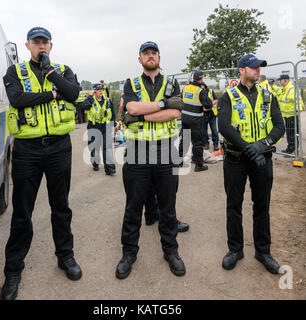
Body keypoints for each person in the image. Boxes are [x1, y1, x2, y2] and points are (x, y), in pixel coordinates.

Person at [0, 27, 81, 300]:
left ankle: (65, 257)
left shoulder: (63, 69)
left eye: (45, 42)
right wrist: (51, 94)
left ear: (51, 45)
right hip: (27, 150)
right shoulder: (15, 73)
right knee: (22, 212)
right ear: (27, 45)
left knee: (61, 207)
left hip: (59, 148)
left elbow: (72, 94)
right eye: (36, 42)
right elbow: (17, 99)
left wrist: (51, 74)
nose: (41, 46)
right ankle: (12, 271)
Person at [116, 41, 185, 279]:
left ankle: (171, 251)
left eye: (154, 52)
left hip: (165, 150)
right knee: (133, 207)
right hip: (137, 151)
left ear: (159, 56)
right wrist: (161, 108)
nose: (151, 56)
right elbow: (130, 109)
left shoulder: (171, 82)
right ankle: (129, 253)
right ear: (140, 59)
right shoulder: (131, 83)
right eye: (146, 53)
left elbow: (175, 112)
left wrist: (144, 114)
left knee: (167, 206)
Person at [218, 54, 285, 274]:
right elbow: (224, 127)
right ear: (241, 70)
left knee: (262, 206)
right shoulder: (228, 96)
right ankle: (235, 250)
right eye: (254, 67)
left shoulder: (268, 95)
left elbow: (279, 126)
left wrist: (262, 145)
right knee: (234, 206)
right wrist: (249, 148)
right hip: (235, 159)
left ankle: (263, 251)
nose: (258, 70)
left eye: (259, 68)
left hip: (262, 159)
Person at [179, 70, 213, 171]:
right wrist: (205, 91)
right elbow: (208, 105)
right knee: (197, 142)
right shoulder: (200, 91)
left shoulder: (186, 88)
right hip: (195, 120)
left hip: (185, 118)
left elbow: (182, 99)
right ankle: (199, 165)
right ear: (201, 79)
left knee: (184, 140)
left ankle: (179, 162)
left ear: (193, 78)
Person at [83, 83, 116, 175]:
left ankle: (109, 168)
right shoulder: (90, 100)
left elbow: (112, 113)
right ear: (94, 91)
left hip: (106, 126)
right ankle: (95, 163)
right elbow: (85, 107)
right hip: (93, 127)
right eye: (98, 89)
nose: (101, 91)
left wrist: (113, 124)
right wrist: (89, 97)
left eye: (101, 89)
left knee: (107, 147)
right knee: (94, 147)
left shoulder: (107, 101)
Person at [277, 74, 304, 154]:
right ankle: (290, 149)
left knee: (292, 134)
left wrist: (298, 109)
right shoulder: (284, 88)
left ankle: (292, 151)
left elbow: (298, 99)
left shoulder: (291, 89)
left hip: (292, 115)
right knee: (290, 133)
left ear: (285, 80)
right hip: (287, 115)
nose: (279, 81)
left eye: (280, 80)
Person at [202, 86, 219, 151]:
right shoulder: (198, 92)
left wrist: (209, 105)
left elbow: (216, 100)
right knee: (204, 131)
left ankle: (215, 144)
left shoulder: (210, 91)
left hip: (212, 114)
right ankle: (206, 144)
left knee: (214, 130)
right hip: (203, 115)